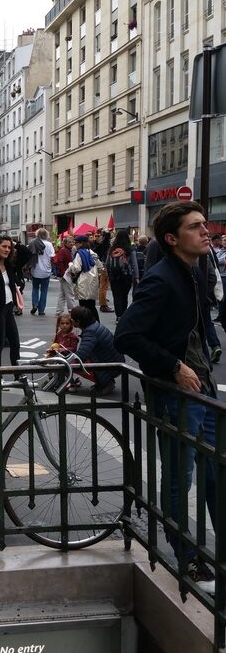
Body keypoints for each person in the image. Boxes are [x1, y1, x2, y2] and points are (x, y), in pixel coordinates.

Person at [114, 200, 217, 593]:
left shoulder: (193, 272)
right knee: (179, 478)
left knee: (216, 474)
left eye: (205, 224)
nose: (206, 231)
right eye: (195, 226)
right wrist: (174, 366)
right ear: (172, 239)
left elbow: (196, 328)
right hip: (176, 394)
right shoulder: (161, 279)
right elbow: (127, 335)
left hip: (202, 392)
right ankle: (187, 558)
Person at [70, 306, 123, 395]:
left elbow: (81, 356)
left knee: (71, 364)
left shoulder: (90, 333)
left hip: (110, 365)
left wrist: (67, 357)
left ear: (78, 321)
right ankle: (105, 382)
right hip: (114, 360)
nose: (71, 320)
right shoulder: (94, 326)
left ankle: (106, 384)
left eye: (72, 319)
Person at [0, 236, 21, 370]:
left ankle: (18, 375)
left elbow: (27, 254)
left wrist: (16, 244)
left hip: (9, 307)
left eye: (9, 247)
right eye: (4, 246)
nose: (7, 250)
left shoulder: (8, 265)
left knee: (15, 343)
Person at [66, 234, 103, 321]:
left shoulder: (79, 254)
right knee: (92, 306)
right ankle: (96, 323)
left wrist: (70, 264)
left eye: (76, 243)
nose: (75, 244)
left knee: (84, 307)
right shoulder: (92, 253)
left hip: (83, 282)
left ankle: (87, 324)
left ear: (81, 243)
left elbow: (76, 269)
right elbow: (100, 266)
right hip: (93, 282)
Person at [106, 228, 139, 321]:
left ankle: (118, 316)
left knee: (116, 296)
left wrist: (109, 275)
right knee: (124, 295)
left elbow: (107, 263)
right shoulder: (130, 249)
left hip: (114, 276)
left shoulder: (112, 249)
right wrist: (136, 277)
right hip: (126, 275)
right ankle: (123, 314)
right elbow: (134, 264)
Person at [28, 228, 54, 315]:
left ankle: (35, 304)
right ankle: (41, 309)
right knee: (44, 290)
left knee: (35, 288)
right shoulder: (49, 244)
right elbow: (52, 256)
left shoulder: (33, 243)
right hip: (46, 270)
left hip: (35, 269)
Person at [52, 235, 76, 315]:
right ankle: (72, 311)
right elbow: (60, 262)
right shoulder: (64, 251)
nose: (71, 243)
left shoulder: (67, 250)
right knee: (69, 294)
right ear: (65, 243)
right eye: (69, 242)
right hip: (65, 275)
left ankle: (59, 311)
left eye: (72, 242)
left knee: (62, 294)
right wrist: (63, 273)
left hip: (64, 275)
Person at [91, 229, 113, 312]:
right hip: (104, 266)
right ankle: (103, 305)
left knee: (102, 286)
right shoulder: (104, 244)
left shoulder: (100, 244)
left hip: (101, 265)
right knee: (103, 286)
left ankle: (103, 303)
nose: (97, 237)